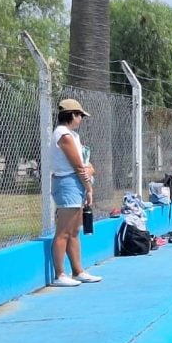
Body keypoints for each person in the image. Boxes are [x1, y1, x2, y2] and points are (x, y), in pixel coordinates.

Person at [48, 99, 102, 286]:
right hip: (67, 184)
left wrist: (89, 173)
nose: (81, 118)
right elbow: (79, 166)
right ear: (71, 115)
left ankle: (78, 271)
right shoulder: (64, 135)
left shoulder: (73, 136)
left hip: (75, 183)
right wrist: (89, 188)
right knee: (63, 231)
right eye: (79, 115)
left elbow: (86, 163)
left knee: (74, 231)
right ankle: (60, 275)